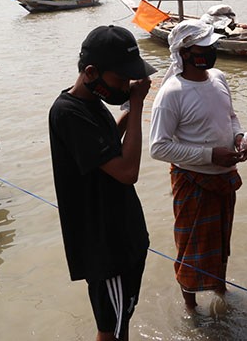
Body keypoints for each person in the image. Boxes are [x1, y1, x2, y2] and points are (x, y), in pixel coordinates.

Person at [48, 25, 156, 341]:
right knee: (112, 330)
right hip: (107, 248)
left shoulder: (91, 102)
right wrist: (135, 106)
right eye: (120, 79)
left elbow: (108, 145)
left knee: (119, 319)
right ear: (92, 72)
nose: (125, 86)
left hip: (122, 237)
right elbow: (127, 171)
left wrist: (127, 111)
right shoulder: (68, 113)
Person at [148, 19, 247, 311]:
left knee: (221, 241)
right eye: (204, 46)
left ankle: (220, 289)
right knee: (192, 247)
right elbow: (158, 147)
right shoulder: (172, 93)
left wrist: (240, 137)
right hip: (193, 180)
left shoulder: (218, 77)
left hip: (224, 178)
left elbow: (230, 116)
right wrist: (209, 155)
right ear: (186, 53)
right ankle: (190, 306)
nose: (211, 50)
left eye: (211, 45)